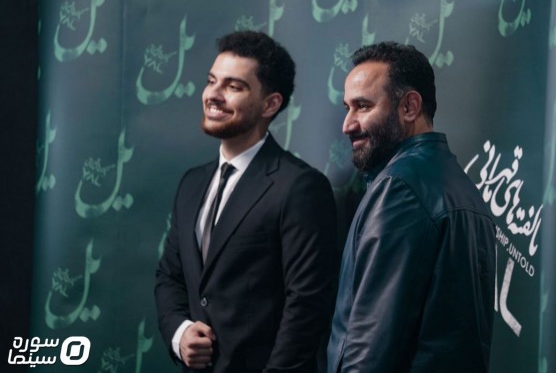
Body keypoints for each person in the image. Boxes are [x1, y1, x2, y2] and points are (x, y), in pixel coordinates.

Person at [155, 31, 337, 373]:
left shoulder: (300, 187)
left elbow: (307, 306)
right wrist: (180, 334)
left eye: (233, 86)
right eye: (212, 81)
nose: (213, 95)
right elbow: (170, 276)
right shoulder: (191, 183)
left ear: (270, 104)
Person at [326, 42, 496, 372]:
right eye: (347, 107)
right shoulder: (457, 184)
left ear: (409, 106)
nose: (347, 124)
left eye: (363, 106)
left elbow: (370, 344)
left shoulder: (400, 187)